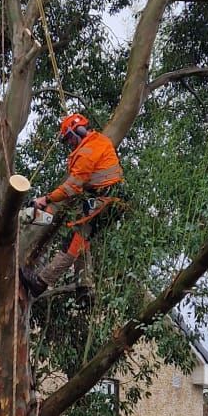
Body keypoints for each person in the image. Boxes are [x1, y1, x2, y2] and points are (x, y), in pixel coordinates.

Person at [22, 111, 124, 295]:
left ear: (80, 130)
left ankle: (41, 282)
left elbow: (72, 187)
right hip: (109, 199)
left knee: (72, 241)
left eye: (70, 137)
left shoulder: (87, 152)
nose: (69, 143)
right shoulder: (98, 141)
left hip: (105, 199)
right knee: (82, 240)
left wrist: (46, 199)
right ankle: (85, 287)